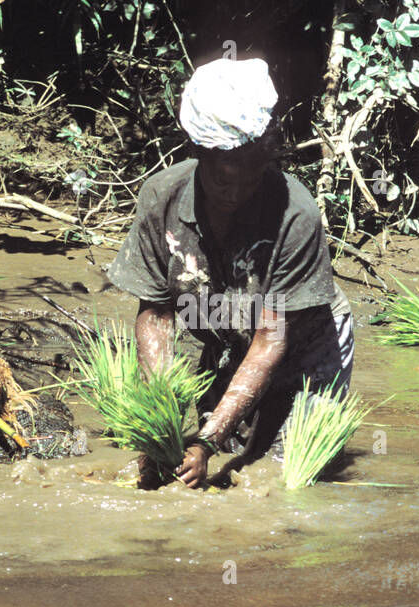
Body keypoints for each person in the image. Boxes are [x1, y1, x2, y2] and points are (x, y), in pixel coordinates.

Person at [106, 57, 354, 489]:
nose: (235, 193)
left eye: (250, 176)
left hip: (305, 343)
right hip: (229, 334)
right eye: (223, 180)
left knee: (282, 474)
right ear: (199, 154)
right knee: (198, 458)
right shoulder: (161, 198)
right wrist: (161, 419)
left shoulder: (295, 213)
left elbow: (269, 342)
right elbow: (157, 315)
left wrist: (207, 441)